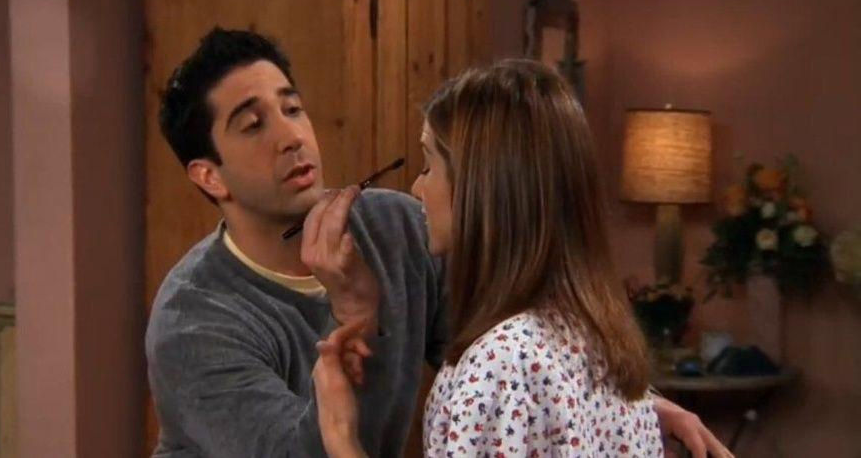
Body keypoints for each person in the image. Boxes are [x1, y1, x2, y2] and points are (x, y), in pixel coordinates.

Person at [147, 27, 730, 458]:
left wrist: (632, 403)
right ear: (210, 177)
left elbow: (510, 330)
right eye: (254, 125)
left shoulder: (397, 227)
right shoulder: (194, 323)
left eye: (292, 108)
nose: (291, 137)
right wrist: (357, 317)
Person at [313, 60, 735, 458]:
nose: (417, 188)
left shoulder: (498, 366)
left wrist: (341, 437)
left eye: (429, 165)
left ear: (482, 187)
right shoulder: (599, 342)